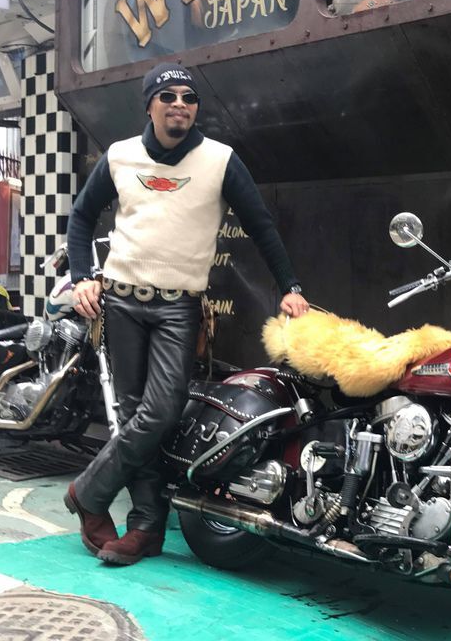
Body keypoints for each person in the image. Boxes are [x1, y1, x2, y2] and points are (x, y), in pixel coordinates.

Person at [62, 63, 309, 565]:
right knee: (133, 415)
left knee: (161, 411)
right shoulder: (120, 156)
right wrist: (83, 275)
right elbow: (82, 217)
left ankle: (88, 492)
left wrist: (290, 287)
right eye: (169, 96)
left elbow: (261, 225)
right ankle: (146, 528)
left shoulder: (220, 160)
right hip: (121, 301)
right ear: (149, 104)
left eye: (189, 98)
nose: (180, 105)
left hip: (178, 307)